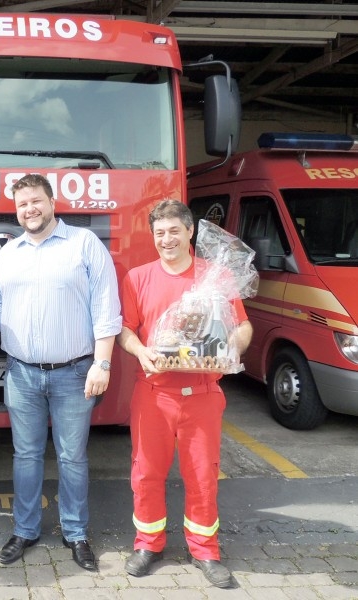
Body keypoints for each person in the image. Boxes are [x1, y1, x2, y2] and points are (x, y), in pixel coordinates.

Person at [0, 173, 122, 571]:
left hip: (74, 372)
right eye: (22, 204)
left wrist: (102, 363)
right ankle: (25, 530)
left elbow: (106, 308)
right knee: (26, 455)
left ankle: (76, 533)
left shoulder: (84, 244)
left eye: (36, 201)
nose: (29, 209)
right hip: (21, 373)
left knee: (72, 457)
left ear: (51, 202)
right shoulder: (9, 253)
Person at [117, 200, 253, 589]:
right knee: (145, 473)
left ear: (190, 232)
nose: (166, 239)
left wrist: (233, 348)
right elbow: (125, 329)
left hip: (203, 392)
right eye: (159, 233)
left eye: (174, 230)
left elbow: (242, 326)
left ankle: (205, 550)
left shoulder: (216, 277)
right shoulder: (138, 278)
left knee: (202, 474)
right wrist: (141, 351)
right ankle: (148, 544)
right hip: (154, 392)